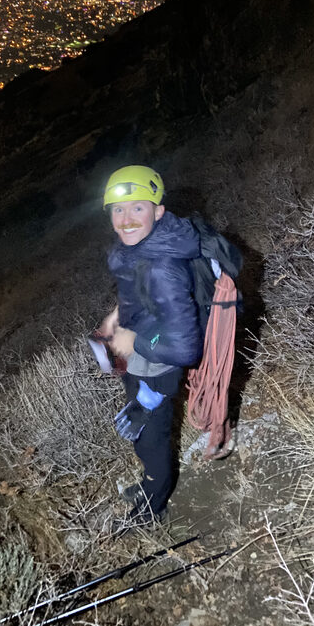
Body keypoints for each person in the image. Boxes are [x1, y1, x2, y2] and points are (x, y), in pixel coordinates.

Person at [99, 165, 204, 526]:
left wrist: (134, 340)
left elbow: (185, 348)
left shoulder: (161, 267)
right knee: (142, 437)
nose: (126, 219)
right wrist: (118, 316)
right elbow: (143, 295)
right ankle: (149, 486)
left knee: (151, 442)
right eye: (118, 209)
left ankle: (151, 510)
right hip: (142, 358)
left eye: (137, 208)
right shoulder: (143, 246)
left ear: (158, 211)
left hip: (157, 372)